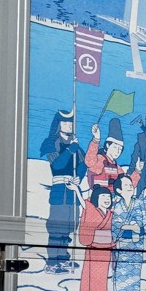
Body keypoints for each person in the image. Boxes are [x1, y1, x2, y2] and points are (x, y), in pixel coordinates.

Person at [39, 108, 85, 273]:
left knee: (69, 226)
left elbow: (83, 165)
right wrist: (70, 150)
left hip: (73, 190)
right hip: (59, 190)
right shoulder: (51, 143)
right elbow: (57, 165)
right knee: (56, 227)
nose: (69, 125)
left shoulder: (76, 145)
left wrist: (79, 177)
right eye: (65, 122)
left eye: (71, 122)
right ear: (58, 124)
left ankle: (63, 258)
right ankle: (53, 262)